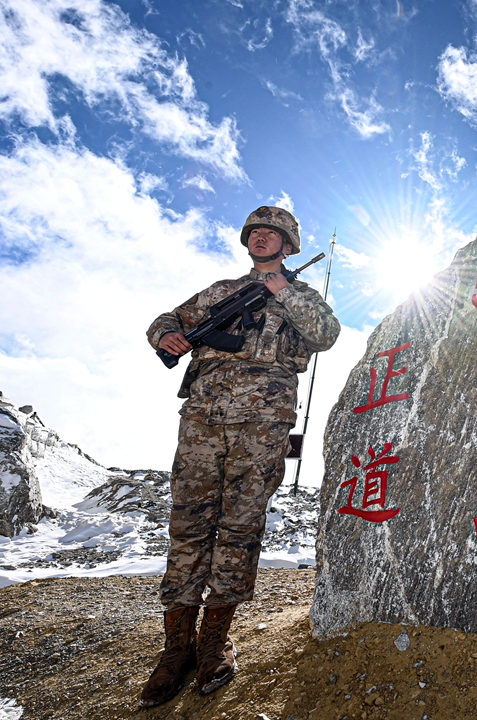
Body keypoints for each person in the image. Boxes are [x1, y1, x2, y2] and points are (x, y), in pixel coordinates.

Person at [140, 206, 341, 707]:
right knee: (188, 525)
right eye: (256, 232)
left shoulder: (301, 295)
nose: (262, 238)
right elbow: (167, 320)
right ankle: (174, 650)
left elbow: (325, 334)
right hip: (204, 420)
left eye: (273, 233)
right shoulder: (220, 291)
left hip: (263, 423)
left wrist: (282, 291)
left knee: (240, 526)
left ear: (288, 244)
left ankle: (214, 644)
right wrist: (166, 334)